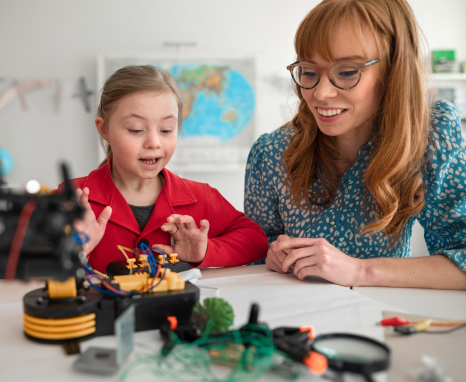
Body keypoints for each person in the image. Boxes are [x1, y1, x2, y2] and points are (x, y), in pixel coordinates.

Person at [245, 0, 466, 290]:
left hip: (384, 321)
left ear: (393, 70)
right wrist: (269, 256)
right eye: (309, 72)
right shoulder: (270, 153)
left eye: (347, 72)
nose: (321, 94)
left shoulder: (432, 137)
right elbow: (251, 251)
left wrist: (359, 271)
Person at [63, 65, 269, 273]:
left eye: (166, 130)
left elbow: (256, 241)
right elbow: (33, 265)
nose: (154, 142)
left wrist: (204, 251)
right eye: (136, 129)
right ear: (104, 129)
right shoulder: (70, 198)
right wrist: (74, 250)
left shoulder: (201, 197)